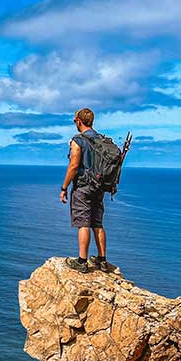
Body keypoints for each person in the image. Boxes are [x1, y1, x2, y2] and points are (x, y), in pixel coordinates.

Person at [59, 108, 116, 273]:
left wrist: (64, 187)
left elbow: (74, 166)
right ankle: (102, 260)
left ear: (78, 121)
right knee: (97, 223)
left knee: (83, 223)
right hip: (99, 187)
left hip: (83, 187)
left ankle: (82, 261)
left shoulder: (78, 140)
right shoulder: (101, 140)